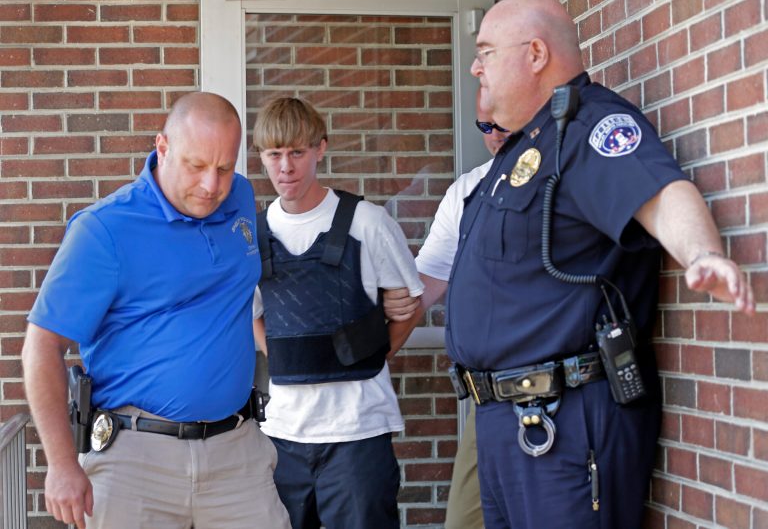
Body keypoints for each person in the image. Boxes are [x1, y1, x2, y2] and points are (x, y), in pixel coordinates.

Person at [388, 0, 755, 529]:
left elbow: (659, 192)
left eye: (486, 51)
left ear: (535, 53)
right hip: (505, 423)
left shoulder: (588, 128)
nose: (475, 66)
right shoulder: (520, 149)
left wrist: (703, 253)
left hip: (562, 424)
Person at [21, 92, 291, 529]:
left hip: (236, 452)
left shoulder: (239, 198)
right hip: (135, 460)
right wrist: (61, 464)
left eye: (224, 167)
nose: (211, 185)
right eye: (196, 165)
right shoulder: (104, 230)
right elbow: (40, 348)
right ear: (162, 147)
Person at [251, 96, 424, 529]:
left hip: (358, 433)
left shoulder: (367, 222)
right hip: (282, 436)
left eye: (297, 152)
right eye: (274, 155)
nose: (285, 167)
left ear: (320, 149)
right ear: (261, 157)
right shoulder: (254, 234)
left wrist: (366, 356)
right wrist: (284, 357)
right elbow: (252, 315)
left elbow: (408, 307)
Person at [388, 89, 508, 529]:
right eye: (484, 127)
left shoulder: (566, 177)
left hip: (565, 395)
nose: (493, 136)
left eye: (502, 124)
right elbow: (423, 287)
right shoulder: (468, 190)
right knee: (465, 520)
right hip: (490, 395)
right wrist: (365, 352)